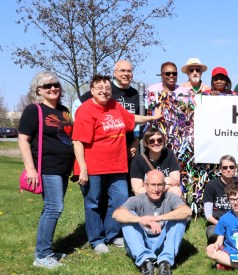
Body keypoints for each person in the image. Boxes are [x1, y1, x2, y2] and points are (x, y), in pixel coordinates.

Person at [73, 74, 162, 254]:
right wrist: (82, 168)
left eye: (107, 88)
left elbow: (132, 119)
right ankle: (96, 239)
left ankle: (111, 234)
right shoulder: (85, 110)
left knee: (120, 199)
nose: (104, 92)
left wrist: (153, 118)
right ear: (92, 91)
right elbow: (78, 141)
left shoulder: (115, 106)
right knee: (93, 203)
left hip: (117, 165)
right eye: (100, 88)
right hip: (94, 167)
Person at [18, 71, 74, 269]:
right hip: (47, 168)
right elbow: (23, 139)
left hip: (63, 168)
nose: (53, 88)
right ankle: (42, 256)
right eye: (47, 86)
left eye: (56, 84)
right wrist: (30, 168)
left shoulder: (64, 110)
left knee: (51, 208)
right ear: (38, 90)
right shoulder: (34, 110)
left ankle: (46, 249)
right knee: (54, 208)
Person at [112, 170, 191, 275]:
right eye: (152, 185)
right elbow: (117, 214)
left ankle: (165, 263)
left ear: (164, 186)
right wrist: (141, 219)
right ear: (145, 185)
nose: (156, 189)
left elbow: (187, 211)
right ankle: (145, 263)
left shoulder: (170, 197)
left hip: (163, 243)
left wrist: (157, 218)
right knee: (128, 216)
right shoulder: (136, 199)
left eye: (160, 185)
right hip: (141, 243)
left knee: (179, 217)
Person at [72, 59, 141, 158]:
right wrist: (82, 128)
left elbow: (135, 121)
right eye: (122, 70)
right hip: (101, 150)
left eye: (129, 71)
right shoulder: (105, 88)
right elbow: (76, 104)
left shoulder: (135, 94)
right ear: (115, 73)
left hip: (127, 150)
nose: (126, 74)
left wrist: (136, 141)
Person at [203, 155, 238, 243]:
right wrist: (223, 225)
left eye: (231, 167)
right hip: (219, 222)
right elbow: (208, 215)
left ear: (235, 169)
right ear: (220, 169)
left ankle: (232, 237)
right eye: (225, 167)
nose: (228, 170)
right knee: (211, 233)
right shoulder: (211, 186)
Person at [130, 127, 182, 197]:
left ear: (163, 141)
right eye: (152, 141)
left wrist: (151, 186)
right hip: (146, 199)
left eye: (159, 140)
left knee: (176, 190)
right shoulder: (138, 160)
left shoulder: (169, 155)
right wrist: (164, 181)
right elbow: (138, 191)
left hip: (164, 197)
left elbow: (175, 182)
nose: (156, 143)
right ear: (146, 143)